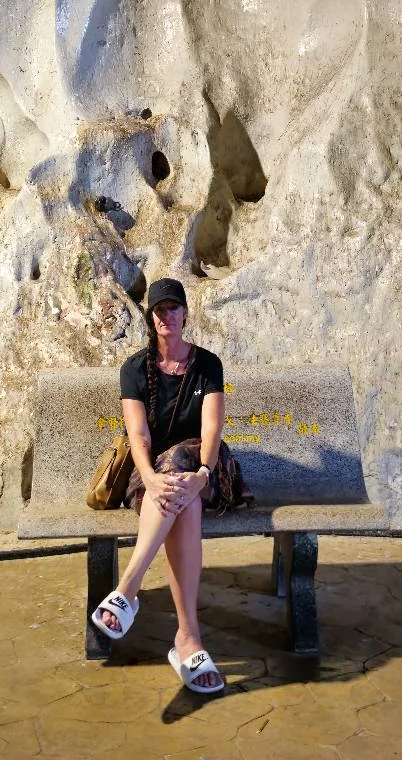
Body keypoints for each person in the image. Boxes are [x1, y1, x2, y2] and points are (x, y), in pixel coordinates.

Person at [89, 277, 231, 694]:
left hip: (206, 472)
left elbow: (212, 431)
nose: (167, 315)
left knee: (183, 463)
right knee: (178, 492)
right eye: (159, 309)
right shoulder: (134, 369)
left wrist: (202, 474)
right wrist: (150, 479)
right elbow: (139, 438)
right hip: (154, 478)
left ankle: (127, 588)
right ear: (151, 319)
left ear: (186, 314)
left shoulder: (208, 365)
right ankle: (188, 639)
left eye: (174, 308)